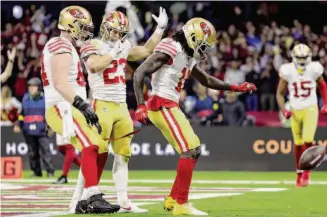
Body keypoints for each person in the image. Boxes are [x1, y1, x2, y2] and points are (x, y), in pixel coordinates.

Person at [133, 18, 256, 216]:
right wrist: (140, 104)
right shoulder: (171, 47)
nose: (206, 51)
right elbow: (139, 73)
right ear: (192, 39)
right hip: (161, 103)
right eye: (204, 45)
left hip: (169, 105)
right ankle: (181, 204)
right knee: (190, 150)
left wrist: (235, 87)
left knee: (194, 150)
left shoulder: (188, 55)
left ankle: (173, 199)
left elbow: (206, 80)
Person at [71, 8, 168, 213]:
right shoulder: (92, 44)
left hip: (121, 106)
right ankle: (78, 198)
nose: (117, 36)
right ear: (106, 28)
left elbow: (145, 50)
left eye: (120, 33)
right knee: (94, 152)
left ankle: (124, 201)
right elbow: (94, 66)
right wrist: (112, 53)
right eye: (114, 32)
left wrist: (159, 29)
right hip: (102, 104)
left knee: (124, 154)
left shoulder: (123, 45)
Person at [42, 5, 119, 214]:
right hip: (62, 107)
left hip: (71, 106)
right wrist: (82, 105)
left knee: (100, 147)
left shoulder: (66, 46)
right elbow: (59, 83)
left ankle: (83, 199)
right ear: (71, 25)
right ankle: (92, 196)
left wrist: (84, 105)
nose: (85, 32)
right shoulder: (60, 44)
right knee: (91, 144)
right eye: (82, 27)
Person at [276, 43, 327, 187]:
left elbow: (323, 86)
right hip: (295, 109)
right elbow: (279, 93)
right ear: (294, 57)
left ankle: (307, 172)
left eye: (304, 57)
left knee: (308, 140)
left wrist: (326, 103)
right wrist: (283, 109)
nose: (302, 60)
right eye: (300, 57)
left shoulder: (314, 68)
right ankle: (299, 172)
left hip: (310, 108)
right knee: (298, 143)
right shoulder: (288, 70)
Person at [14, 77, 55, 177]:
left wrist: (51, 127)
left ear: (39, 87)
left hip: (42, 130)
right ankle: (36, 172)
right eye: (30, 86)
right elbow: (21, 114)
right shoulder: (25, 98)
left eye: (33, 86)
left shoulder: (45, 99)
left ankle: (50, 171)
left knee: (46, 151)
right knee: (32, 153)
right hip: (28, 130)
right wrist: (19, 124)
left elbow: (50, 114)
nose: (31, 88)